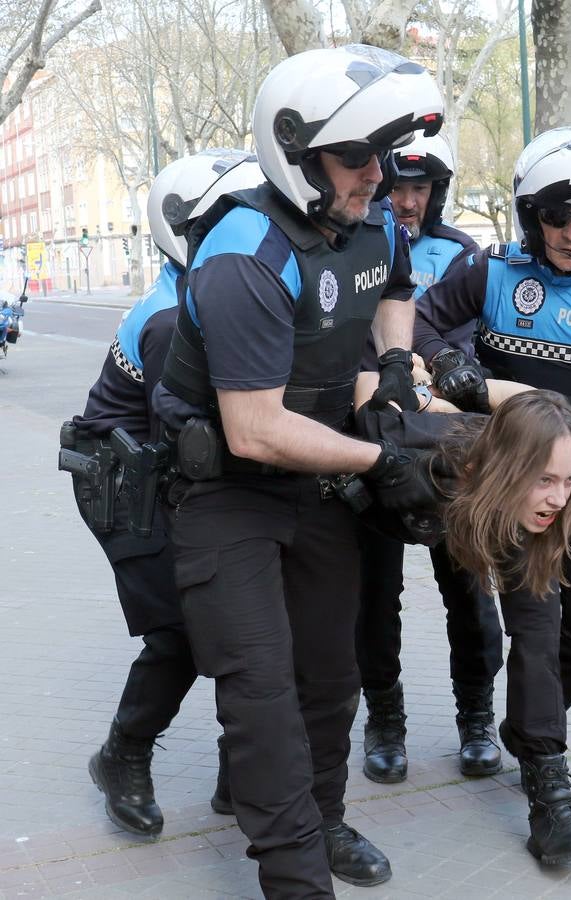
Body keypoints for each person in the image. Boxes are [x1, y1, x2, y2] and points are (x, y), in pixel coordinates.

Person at [152, 45, 446, 898]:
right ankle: (294, 876)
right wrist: (385, 458)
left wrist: (395, 365)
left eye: (382, 155)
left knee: (330, 676)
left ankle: (324, 819)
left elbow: (395, 287)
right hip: (230, 491)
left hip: (316, 479)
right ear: (296, 152)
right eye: (356, 157)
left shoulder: (375, 219)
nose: (377, 176)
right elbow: (254, 431)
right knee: (262, 695)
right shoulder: (244, 255)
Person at [412, 126, 571, 865]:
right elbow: (418, 322)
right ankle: (551, 798)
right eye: (557, 216)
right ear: (532, 216)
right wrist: (447, 361)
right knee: (537, 633)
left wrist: (556, 446)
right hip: (513, 489)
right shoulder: (490, 272)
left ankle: (526, 729)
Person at [62, 149, 263, 839]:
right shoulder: (172, 319)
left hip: (170, 469)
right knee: (181, 628)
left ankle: (242, 768)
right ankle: (122, 755)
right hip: (126, 483)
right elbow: (196, 438)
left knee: (244, 610)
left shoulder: (214, 293)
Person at [356, 133, 504, 786]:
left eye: (419, 188)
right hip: (373, 437)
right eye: (397, 187)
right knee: (373, 594)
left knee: (468, 589)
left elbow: (473, 346)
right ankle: (384, 723)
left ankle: (477, 717)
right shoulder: (355, 247)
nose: (407, 200)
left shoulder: (463, 255)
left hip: (451, 445)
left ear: (437, 193)